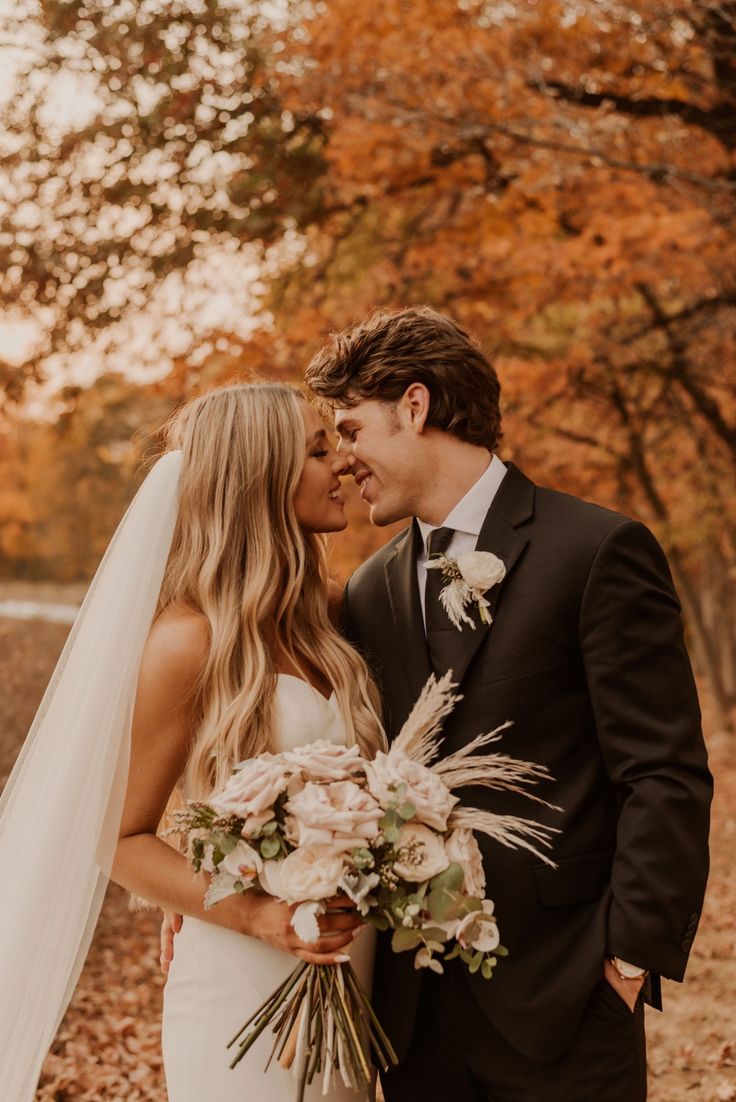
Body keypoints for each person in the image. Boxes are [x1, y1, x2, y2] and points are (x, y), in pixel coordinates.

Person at [299, 306, 713, 1102]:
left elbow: (663, 772)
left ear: (414, 407)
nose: (343, 461)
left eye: (350, 430)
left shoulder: (596, 550)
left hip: (567, 998)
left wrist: (628, 961)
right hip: (413, 1015)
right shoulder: (370, 590)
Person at [0, 382, 385, 1102]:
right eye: (318, 449)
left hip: (346, 970)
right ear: (258, 479)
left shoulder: (331, 619)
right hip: (245, 975)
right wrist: (257, 916)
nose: (342, 465)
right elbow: (118, 836)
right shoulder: (185, 642)